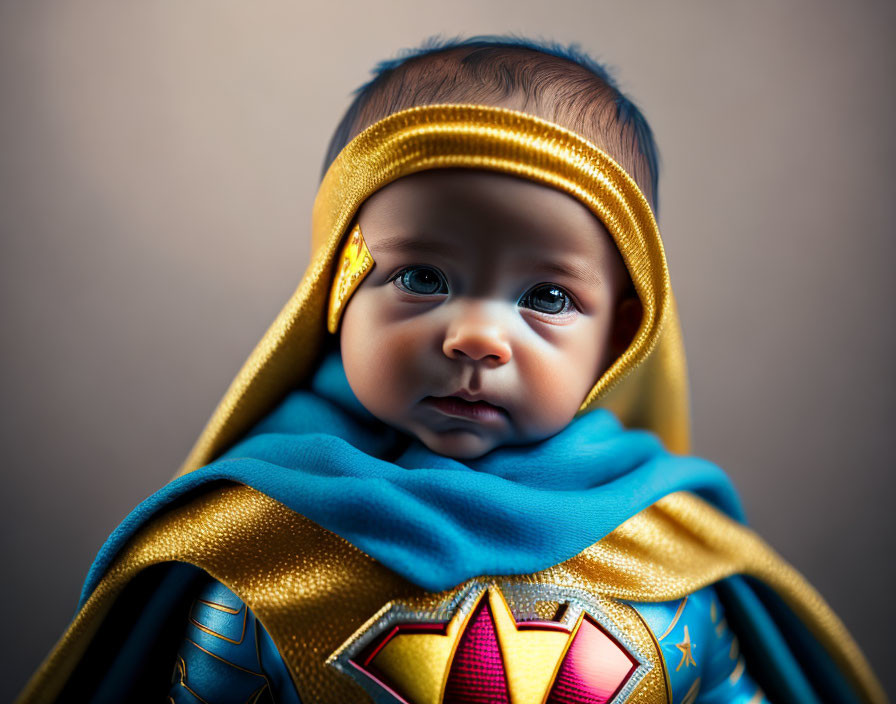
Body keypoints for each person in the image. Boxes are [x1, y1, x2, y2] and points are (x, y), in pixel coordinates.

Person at [18, 37, 885, 704]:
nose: (475, 337)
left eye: (546, 296)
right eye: (421, 278)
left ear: (621, 332)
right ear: (336, 290)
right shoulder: (252, 544)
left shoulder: (673, 554)